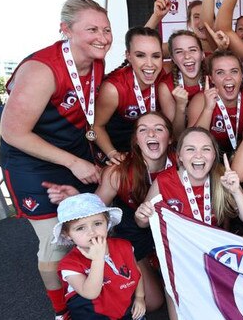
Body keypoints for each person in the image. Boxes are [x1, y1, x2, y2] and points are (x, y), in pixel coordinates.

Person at [0, 0, 110, 319]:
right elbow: (13, 133)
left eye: (106, 29)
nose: (102, 36)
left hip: (70, 155)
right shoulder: (42, 70)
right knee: (56, 241)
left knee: (89, 225)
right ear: (65, 30)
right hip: (30, 162)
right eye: (92, 29)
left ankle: (89, 289)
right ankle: (61, 310)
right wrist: (74, 162)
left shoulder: (96, 60)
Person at [43, 112, 174, 312]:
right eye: (143, 129)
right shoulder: (119, 170)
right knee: (153, 302)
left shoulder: (182, 162)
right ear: (136, 140)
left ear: (170, 138)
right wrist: (77, 199)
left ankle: (155, 261)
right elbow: (97, 206)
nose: (151, 133)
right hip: (135, 234)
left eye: (159, 128)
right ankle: (139, 263)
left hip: (170, 230)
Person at [135, 127, 243, 319]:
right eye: (190, 149)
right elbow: (142, 223)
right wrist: (141, 214)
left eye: (206, 149)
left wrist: (235, 190)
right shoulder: (165, 181)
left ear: (214, 154)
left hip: (216, 261)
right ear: (179, 156)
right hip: (180, 263)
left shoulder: (221, 176)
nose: (198, 155)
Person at [53, 193, 145, 320]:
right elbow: (90, 293)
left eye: (97, 223)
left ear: (107, 223)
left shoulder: (124, 246)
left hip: (124, 308)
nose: (91, 232)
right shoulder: (69, 264)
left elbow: (136, 271)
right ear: (67, 234)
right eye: (80, 228)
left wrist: (140, 297)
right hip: (91, 314)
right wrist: (98, 259)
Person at [95, 26, 168, 164]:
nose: (150, 64)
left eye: (156, 56)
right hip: (119, 148)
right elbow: (96, 127)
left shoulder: (165, 76)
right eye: (140, 55)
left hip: (151, 147)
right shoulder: (113, 89)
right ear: (128, 56)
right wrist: (112, 153)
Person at [187, 50, 243, 154]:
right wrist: (208, 109)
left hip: (241, 157)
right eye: (220, 72)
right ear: (211, 79)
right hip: (208, 159)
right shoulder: (201, 100)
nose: (228, 77)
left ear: (241, 76)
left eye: (234, 71)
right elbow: (191, 144)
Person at [158, 30, 208, 137]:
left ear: (202, 54)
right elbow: (176, 136)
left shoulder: (213, 77)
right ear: (173, 59)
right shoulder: (166, 86)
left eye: (193, 50)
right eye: (179, 52)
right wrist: (180, 107)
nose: (187, 56)